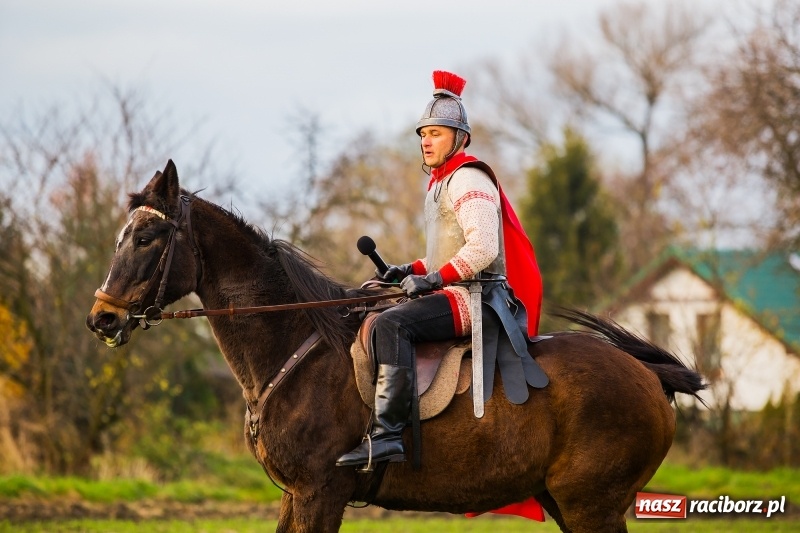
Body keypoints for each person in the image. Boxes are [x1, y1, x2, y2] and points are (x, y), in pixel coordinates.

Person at [336, 70, 544, 470]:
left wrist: (431, 279)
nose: (426, 141)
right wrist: (408, 268)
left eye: (436, 133)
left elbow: (482, 249)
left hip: (478, 299)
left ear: (460, 138)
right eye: (423, 134)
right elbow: (445, 252)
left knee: (390, 326)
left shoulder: (467, 177)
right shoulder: (439, 183)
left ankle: (387, 436)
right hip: (453, 290)